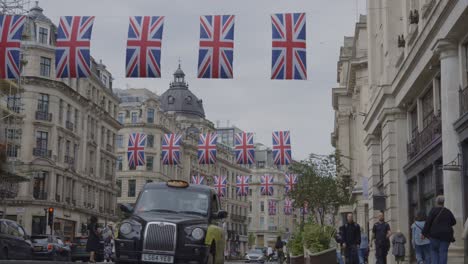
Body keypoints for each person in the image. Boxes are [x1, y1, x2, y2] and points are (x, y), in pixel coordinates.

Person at [422, 195, 456, 264]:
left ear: (436, 202)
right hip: (446, 236)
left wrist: (423, 233)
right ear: (443, 202)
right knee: (443, 252)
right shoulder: (448, 211)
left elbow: (428, 223)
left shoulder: (433, 211)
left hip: (434, 236)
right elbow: (454, 222)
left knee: (434, 252)